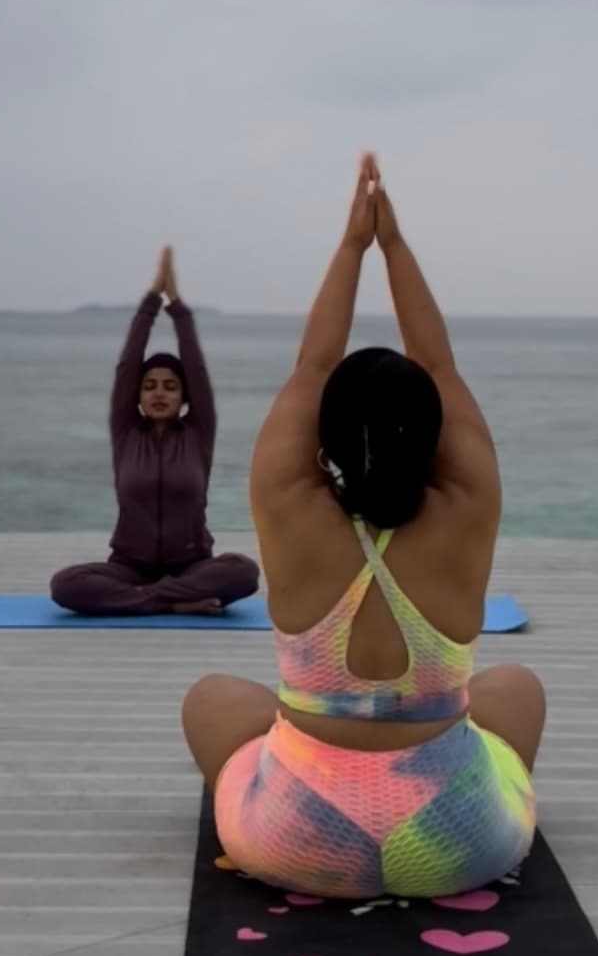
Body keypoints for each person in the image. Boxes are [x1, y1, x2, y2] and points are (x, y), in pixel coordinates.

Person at [182, 158, 545, 899]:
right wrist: (395, 246)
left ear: (324, 441)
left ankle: (286, 831)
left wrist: (352, 245)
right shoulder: (469, 505)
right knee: (516, 689)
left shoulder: (288, 501)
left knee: (215, 699)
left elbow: (314, 365)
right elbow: (437, 363)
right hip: (459, 843)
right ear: (434, 435)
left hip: (298, 838)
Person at [49, 247, 260, 619]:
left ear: (183, 396)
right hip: (129, 565)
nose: (159, 392)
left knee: (244, 572)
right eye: (149, 386)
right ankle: (174, 604)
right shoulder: (126, 432)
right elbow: (128, 364)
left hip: (192, 566)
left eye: (169, 386)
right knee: (65, 584)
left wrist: (176, 304)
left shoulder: (198, 433)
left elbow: (194, 365)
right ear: (139, 396)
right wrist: (150, 302)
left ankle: (142, 599)